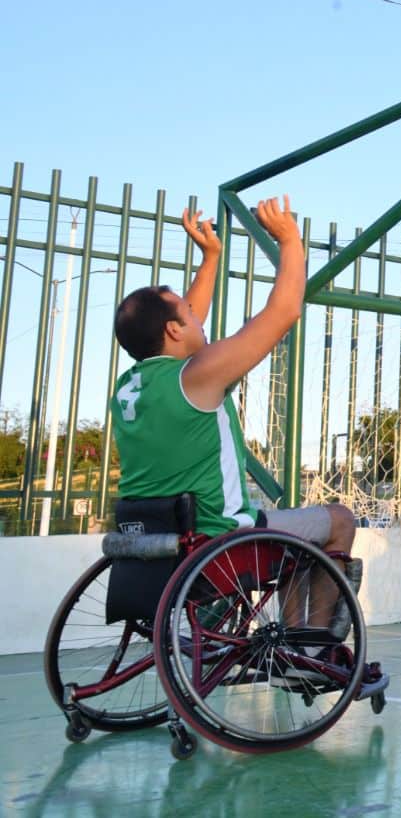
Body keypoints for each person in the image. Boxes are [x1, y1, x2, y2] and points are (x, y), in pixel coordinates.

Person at [110, 199, 373, 691]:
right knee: (337, 521)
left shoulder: (132, 387)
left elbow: (180, 324)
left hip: (157, 545)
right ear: (173, 330)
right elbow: (283, 312)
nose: (196, 314)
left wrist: (210, 258)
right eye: (188, 313)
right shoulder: (198, 378)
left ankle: (296, 645)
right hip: (221, 543)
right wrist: (290, 242)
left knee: (296, 530)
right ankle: (308, 649)